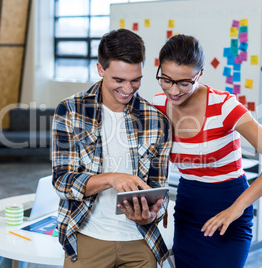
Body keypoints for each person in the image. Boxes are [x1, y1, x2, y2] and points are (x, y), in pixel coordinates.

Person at [153, 34, 262, 268]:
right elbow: (153, 159)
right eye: (166, 79)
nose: (174, 91)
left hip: (230, 207)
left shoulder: (225, 106)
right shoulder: (158, 105)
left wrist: (237, 208)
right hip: (188, 207)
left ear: (200, 74)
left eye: (184, 83)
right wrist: (157, 196)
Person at [52, 29, 172, 268]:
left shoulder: (157, 121)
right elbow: (62, 181)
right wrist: (111, 179)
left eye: (135, 80)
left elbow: (159, 188)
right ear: (100, 69)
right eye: (119, 80)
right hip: (88, 238)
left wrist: (154, 212)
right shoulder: (70, 111)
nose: (128, 89)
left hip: (140, 240)